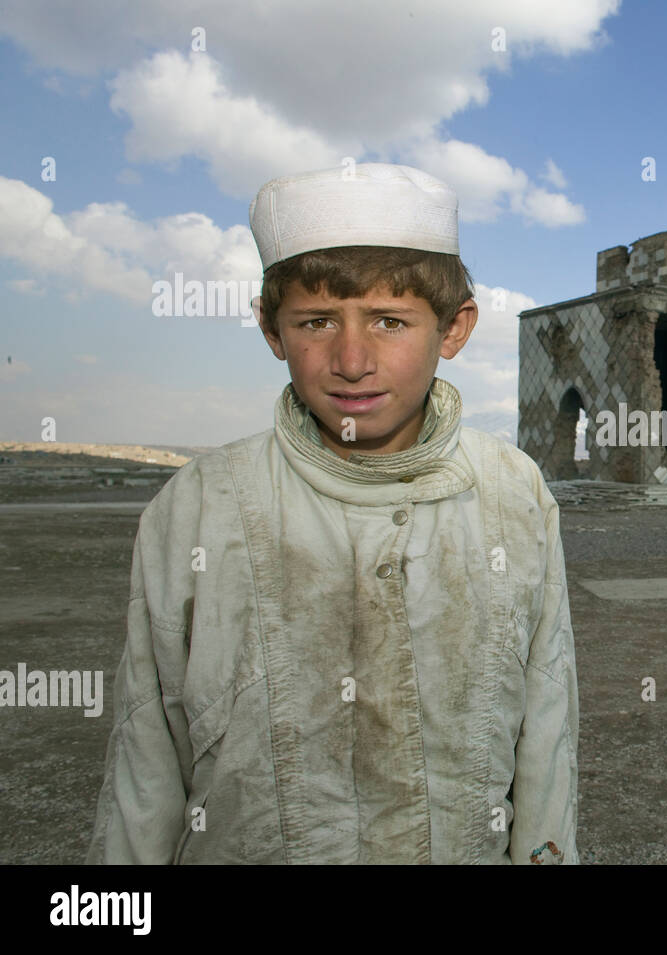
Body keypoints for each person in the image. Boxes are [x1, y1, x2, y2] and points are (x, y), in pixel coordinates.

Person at [86, 164, 578, 864]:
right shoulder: (198, 505)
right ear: (272, 329)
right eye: (316, 321)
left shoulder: (512, 491)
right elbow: (146, 755)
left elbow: (547, 727)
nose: (352, 359)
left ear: (454, 327)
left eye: (390, 321)